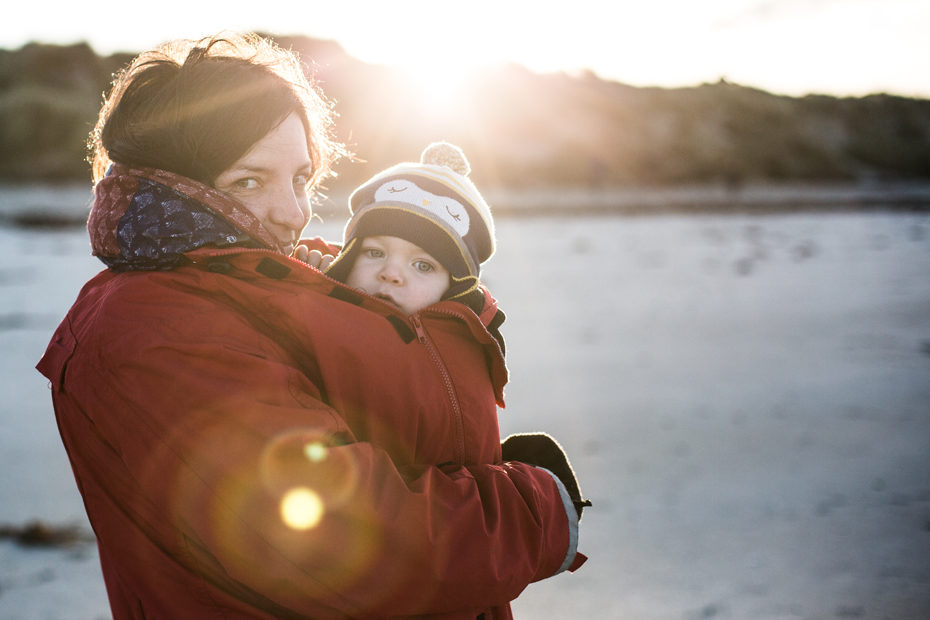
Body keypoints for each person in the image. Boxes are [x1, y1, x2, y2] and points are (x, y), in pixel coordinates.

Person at [37, 32, 587, 619]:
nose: (293, 212)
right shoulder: (157, 329)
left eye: (301, 177)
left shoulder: (256, 287)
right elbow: (347, 542)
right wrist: (537, 512)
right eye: (248, 180)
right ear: (177, 183)